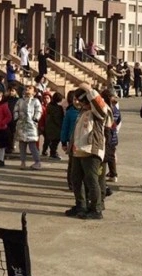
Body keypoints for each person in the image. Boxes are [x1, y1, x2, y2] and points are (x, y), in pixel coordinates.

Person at [65, 83, 109, 219]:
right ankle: (81, 205)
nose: (79, 103)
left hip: (91, 151)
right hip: (78, 150)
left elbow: (101, 107)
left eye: (81, 100)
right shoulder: (82, 112)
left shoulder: (97, 113)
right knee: (76, 179)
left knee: (91, 180)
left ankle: (96, 209)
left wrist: (90, 90)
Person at [14, 85, 43, 170]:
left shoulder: (35, 101)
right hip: (21, 125)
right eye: (26, 89)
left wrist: (36, 118)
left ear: (34, 92)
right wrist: (16, 117)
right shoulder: (20, 101)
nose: (27, 90)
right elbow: (15, 109)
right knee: (22, 145)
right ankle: (23, 162)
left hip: (31, 125)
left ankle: (37, 162)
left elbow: (39, 110)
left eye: (30, 89)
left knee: (32, 145)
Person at [60, 91, 81, 190]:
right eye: (74, 100)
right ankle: (71, 183)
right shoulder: (70, 112)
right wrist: (63, 142)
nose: (76, 102)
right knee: (72, 163)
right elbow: (65, 127)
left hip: (83, 141)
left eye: (78, 99)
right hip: (73, 141)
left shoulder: (87, 111)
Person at [43, 92, 64, 160]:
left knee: (50, 140)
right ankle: (53, 153)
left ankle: (51, 152)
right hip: (56, 127)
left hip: (49, 125)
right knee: (56, 141)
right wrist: (61, 125)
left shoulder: (49, 105)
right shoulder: (58, 108)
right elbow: (57, 118)